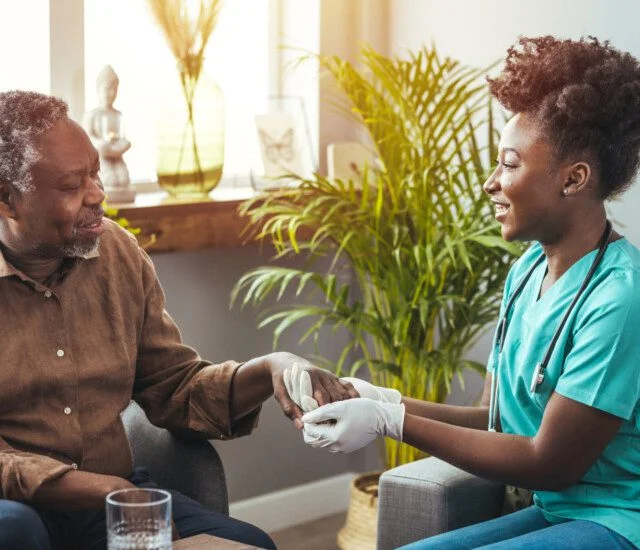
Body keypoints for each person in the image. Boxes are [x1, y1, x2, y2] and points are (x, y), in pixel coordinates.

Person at [292, 36, 640, 549]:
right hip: (558, 514)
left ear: (575, 179)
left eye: (510, 163)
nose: (490, 183)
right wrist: (379, 398)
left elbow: (552, 462)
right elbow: (495, 420)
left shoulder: (620, 299)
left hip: (618, 520)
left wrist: (392, 422)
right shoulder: (526, 272)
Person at [0, 90, 357, 549]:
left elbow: (174, 387)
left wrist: (272, 369)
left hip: (118, 496)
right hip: (21, 511)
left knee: (252, 544)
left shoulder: (117, 253)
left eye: (95, 172)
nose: (97, 195)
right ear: (7, 199)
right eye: (71, 187)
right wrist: (98, 488)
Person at [82, 65, 134, 203]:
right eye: (107, 88)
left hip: (116, 155)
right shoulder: (92, 115)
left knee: (123, 179)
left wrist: (123, 145)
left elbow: (121, 137)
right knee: (109, 180)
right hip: (100, 157)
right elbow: (87, 138)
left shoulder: (118, 114)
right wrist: (101, 145)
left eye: (114, 89)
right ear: (99, 89)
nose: (111, 93)